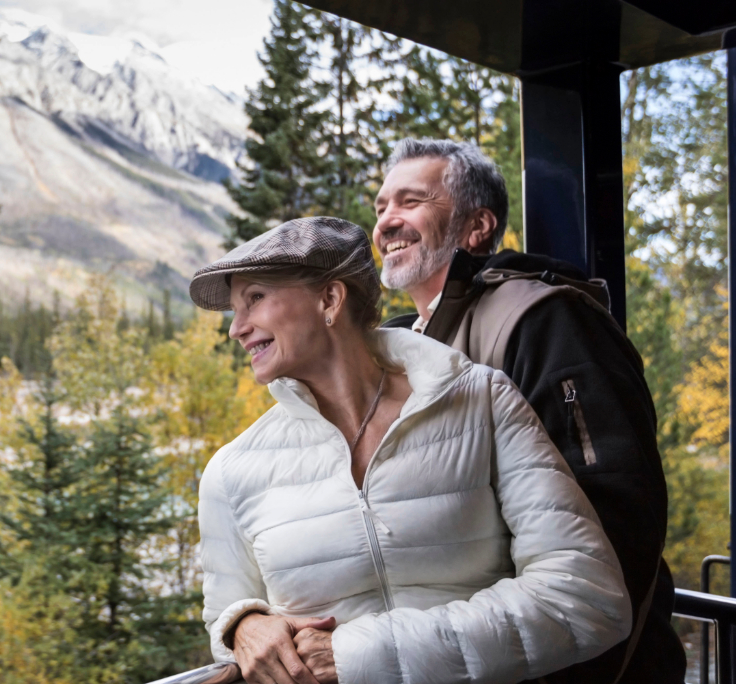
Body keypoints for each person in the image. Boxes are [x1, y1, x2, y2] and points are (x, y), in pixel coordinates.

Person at [191, 217, 631, 684]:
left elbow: (587, 598)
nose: (237, 328)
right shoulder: (231, 472)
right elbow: (229, 623)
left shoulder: (482, 402)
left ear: (329, 299)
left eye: (254, 298)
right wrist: (244, 623)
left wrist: (360, 656)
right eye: (235, 310)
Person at [374, 139, 685, 683]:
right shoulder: (397, 346)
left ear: (477, 227)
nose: (386, 223)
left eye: (410, 201)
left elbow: (615, 510)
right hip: (459, 654)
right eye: (381, 208)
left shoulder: (544, 320)